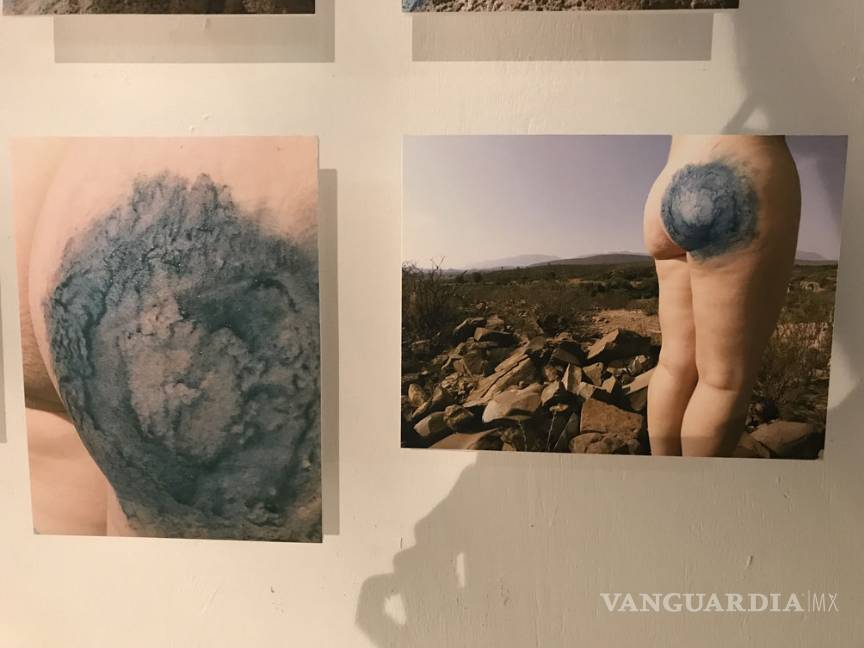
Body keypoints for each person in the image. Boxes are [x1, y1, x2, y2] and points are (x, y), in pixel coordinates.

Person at [643, 135, 801, 456]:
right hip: (738, 169)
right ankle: (696, 488)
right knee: (722, 384)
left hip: (666, 184)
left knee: (673, 365)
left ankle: (662, 478)